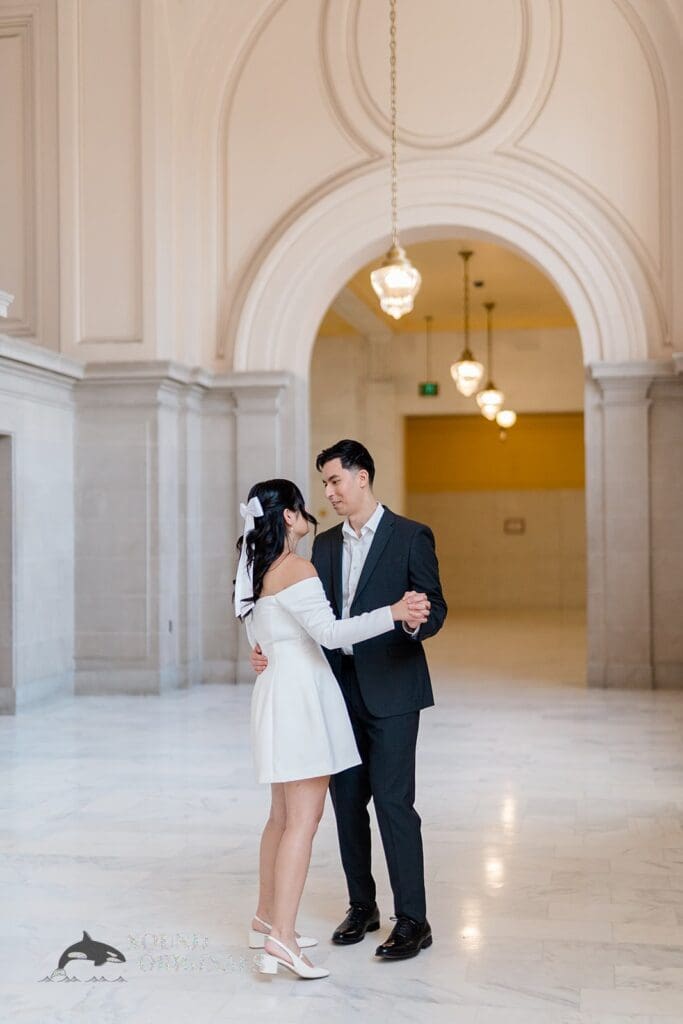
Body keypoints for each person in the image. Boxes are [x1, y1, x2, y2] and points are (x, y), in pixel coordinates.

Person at [251, 440, 447, 961]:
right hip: (335, 693)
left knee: (393, 803)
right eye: (324, 484)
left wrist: (414, 619)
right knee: (345, 805)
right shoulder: (326, 547)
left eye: (336, 481)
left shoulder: (410, 536)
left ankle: (413, 919)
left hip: (395, 691)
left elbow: (436, 608)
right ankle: (362, 906)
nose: (330, 493)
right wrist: (267, 649)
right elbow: (315, 622)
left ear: (363, 477)